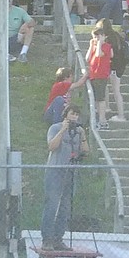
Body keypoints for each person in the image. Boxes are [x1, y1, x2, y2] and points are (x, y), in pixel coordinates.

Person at [40, 103, 88, 250]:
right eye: (72, 113)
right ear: (66, 114)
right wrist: (62, 130)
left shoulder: (78, 132)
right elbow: (52, 147)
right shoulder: (55, 128)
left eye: (76, 114)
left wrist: (84, 136)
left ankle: (58, 238)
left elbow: (85, 152)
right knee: (52, 204)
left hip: (71, 172)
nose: (74, 117)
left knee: (65, 207)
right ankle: (47, 239)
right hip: (55, 170)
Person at [86, 24, 113, 129]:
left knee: (100, 98)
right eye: (94, 36)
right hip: (93, 74)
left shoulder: (106, 46)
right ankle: (99, 119)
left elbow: (98, 55)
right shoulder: (93, 45)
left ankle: (102, 120)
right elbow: (88, 58)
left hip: (101, 75)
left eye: (98, 36)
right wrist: (91, 45)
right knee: (96, 98)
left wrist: (100, 43)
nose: (95, 39)